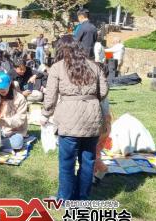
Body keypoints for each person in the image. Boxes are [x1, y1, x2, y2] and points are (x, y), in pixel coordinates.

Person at [41, 35, 108, 201]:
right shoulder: (94, 66)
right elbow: (104, 91)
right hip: (92, 118)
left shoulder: (57, 67)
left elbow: (50, 96)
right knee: (88, 161)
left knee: (67, 163)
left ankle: (64, 199)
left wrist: (46, 114)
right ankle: (82, 198)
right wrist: (89, 100)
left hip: (69, 120)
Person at [0, 72, 28, 151]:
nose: (1, 89)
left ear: (9, 84)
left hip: (14, 131)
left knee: (17, 143)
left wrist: (3, 121)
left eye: (4, 87)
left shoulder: (20, 98)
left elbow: (20, 120)